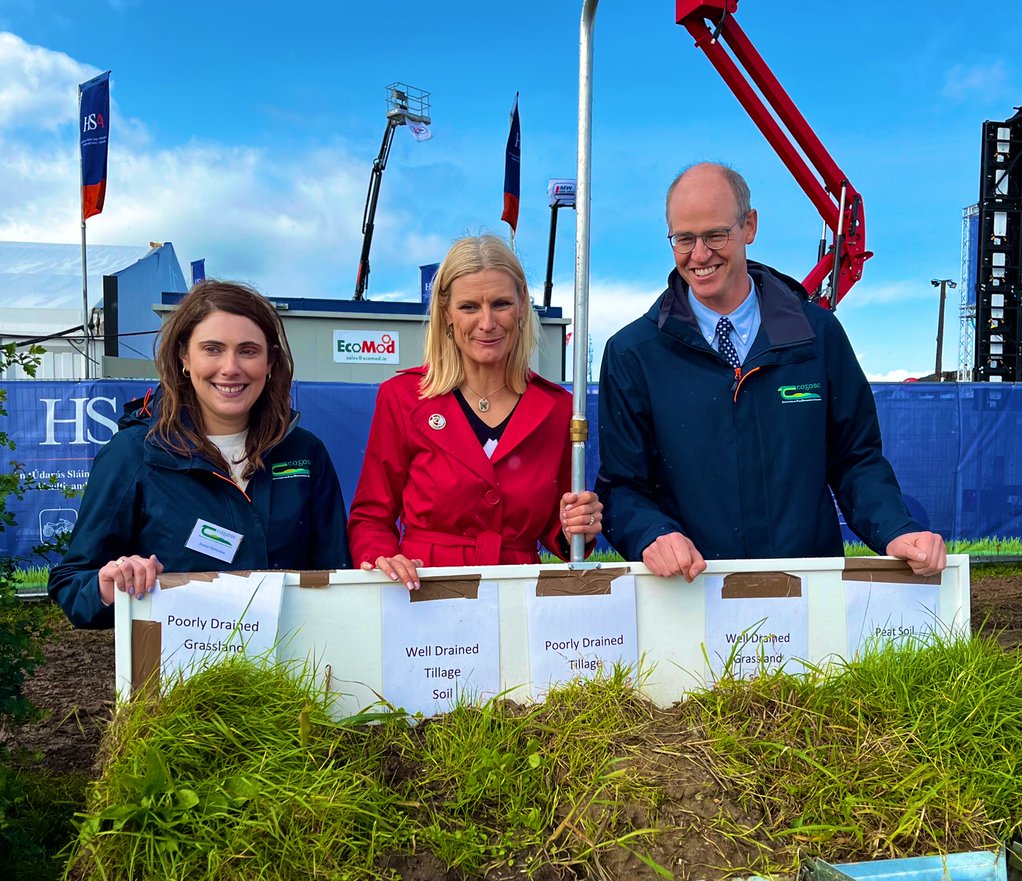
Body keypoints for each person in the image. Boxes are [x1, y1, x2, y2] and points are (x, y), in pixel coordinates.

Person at [596, 162, 946, 582]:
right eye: (684, 239)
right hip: (688, 599)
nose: (700, 255)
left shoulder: (817, 337)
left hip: (807, 601)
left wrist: (895, 530)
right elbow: (621, 487)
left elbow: (856, 460)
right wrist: (654, 534)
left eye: (715, 235)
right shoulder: (633, 354)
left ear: (749, 226)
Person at [49, 279, 351, 629]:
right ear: (184, 358)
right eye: (212, 349)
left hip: (291, 672)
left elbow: (338, 580)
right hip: (182, 676)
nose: (230, 368)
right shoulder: (135, 454)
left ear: (270, 363)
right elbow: (72, 584)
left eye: (248, 351)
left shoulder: (305, 453)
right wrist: (106, 587)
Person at [348, 234, 600, 588]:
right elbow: (371, 517)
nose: (487, 323)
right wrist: (383, 559)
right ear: (446, 314)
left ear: (522, 308)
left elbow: (557, 530)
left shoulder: (556, 409)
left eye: (500, 304)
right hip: (424, 591)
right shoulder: (403, 397)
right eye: (469, 307)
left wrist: (577, 525)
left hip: (518, 590)